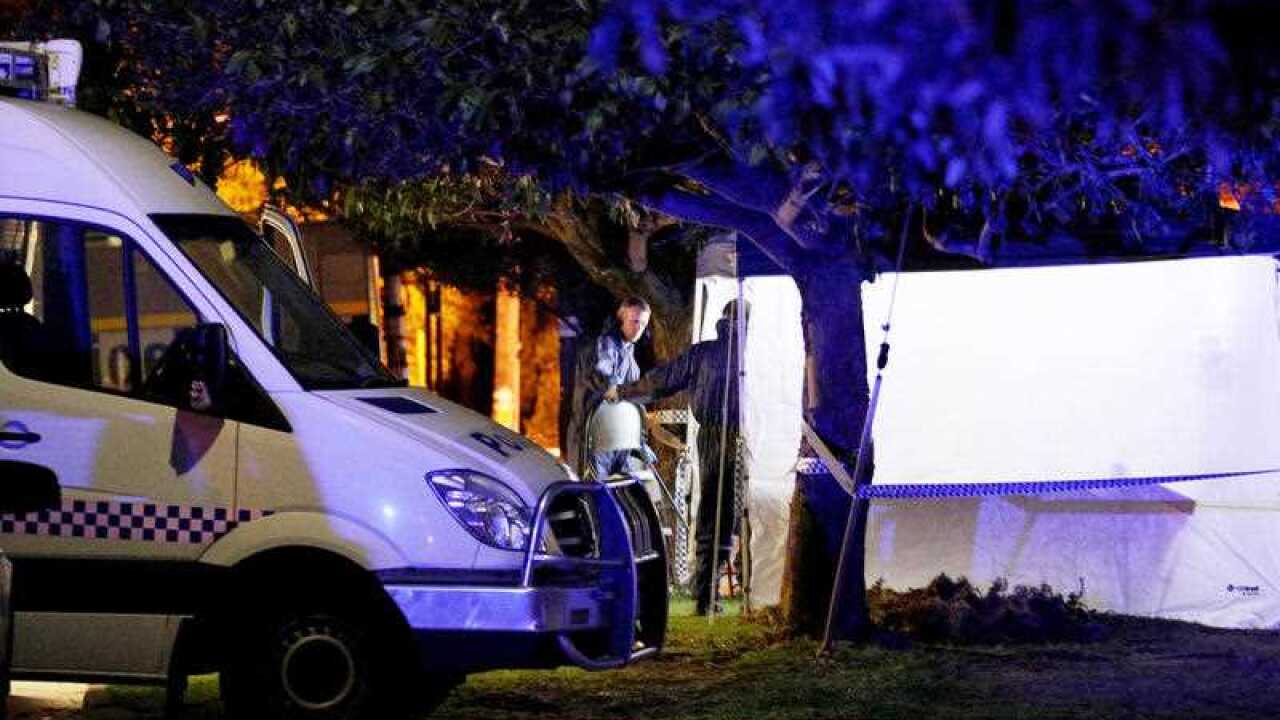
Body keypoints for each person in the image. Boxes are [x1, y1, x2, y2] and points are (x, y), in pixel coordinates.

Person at [612, 300, 747, 615]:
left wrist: (624, 392)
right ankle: (728, 589)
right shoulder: (754, 353)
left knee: (715, 513)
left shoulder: (704, 353)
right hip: (747, 435)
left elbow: (663, 380)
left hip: (713, 435)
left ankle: (706, 594)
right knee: (734, 515)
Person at [565, 296, 651, 480]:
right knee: (593, 495)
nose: (638, 328)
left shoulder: (630, 355)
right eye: (634, 321)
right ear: (621, 319)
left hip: (617, 439)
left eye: (643, 324)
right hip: (593, 436)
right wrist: (618, 390)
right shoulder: (606, 345)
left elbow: (632, 398)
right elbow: (602, 376)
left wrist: (641, 438)